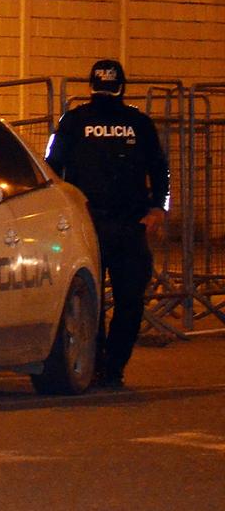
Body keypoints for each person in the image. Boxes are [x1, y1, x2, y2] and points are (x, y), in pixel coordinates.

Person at [46, 59, 170, 388]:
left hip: (113, 224)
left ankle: (106, 366)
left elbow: (51, 168)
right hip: (103, 224)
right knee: (109, 300)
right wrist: (158, 208)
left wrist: (158, 209)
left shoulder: (79, 122)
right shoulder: (127, 123)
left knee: (114, 299)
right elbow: (161, 170)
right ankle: (104, 366)